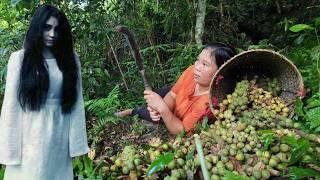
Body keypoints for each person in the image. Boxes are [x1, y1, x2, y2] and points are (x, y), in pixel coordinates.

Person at [0, 5, 89, 180]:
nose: (52, 34)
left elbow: (76, 103)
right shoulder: (19, 59)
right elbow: (11, 108)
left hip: (59, 136)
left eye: (57, 29)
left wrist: (77, 144)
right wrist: (8, 150)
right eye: (47, 27)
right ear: (37, 28)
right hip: (29, 137)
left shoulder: (71, 60)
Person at [116, 43, 236, 135]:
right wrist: (160, 108)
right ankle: (147, 108)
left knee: (146, 113)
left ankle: (131, 111)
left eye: (205, 64)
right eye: (198, 60)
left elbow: (181, 130)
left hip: (176, 121)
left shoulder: (208, 104)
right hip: (173, 103)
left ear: (220, 74)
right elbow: (173, 94)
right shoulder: (192, 71)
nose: (197, 67)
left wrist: (163, 109)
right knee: (160, 95)